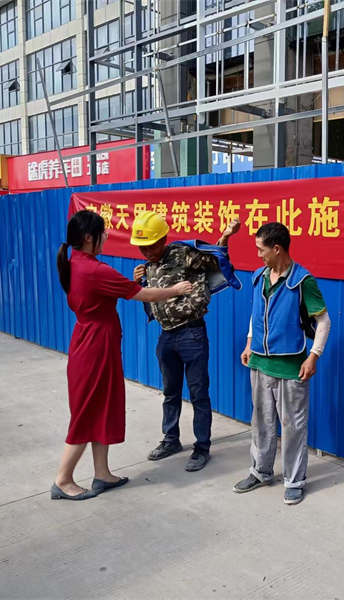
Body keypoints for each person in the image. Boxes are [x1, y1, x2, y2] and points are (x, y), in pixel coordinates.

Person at [52, 210, 192, 500]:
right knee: (87, 412)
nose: (106, 236)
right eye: (102, 233)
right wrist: (175, 289)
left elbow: (114, 289)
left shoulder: (76, 263)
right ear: (88, 238)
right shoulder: (94, 270)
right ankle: (63, 480)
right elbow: (142, 295)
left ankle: (102, 473)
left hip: (90, 342)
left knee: (101, 407)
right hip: (96, 348)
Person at [130, 211, 241, 472]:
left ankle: (202, 447)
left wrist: (226, 236)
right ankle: (171, 439)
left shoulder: (184, 254)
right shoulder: (149, 265)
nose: (147, 252)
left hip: (191, 333)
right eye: (142, 248)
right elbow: (150, 296)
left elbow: (216, 260)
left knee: (198, 393)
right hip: (166, 335)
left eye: (151, 246)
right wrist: (138, 282)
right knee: (170, 392)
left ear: (163, 239)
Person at [233, 222, 331, 505]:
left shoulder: (302, 281)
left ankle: (294, 481)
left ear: (277, 249)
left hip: (291, 367)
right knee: (261, 422)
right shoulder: (258, 277)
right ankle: (260, 471)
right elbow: (256, 314)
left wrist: (314, 356)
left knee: (292, 427)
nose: (258, 255)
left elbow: (324, 321)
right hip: (259, 363)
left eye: (261, 249)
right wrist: (249, 343)